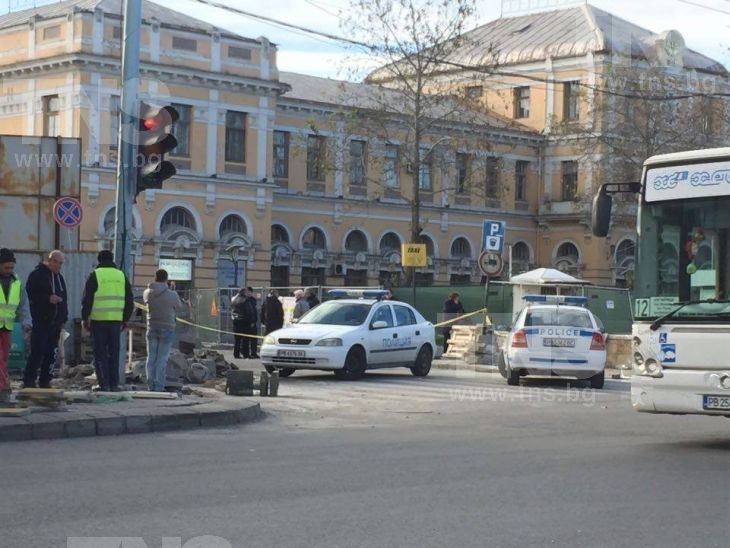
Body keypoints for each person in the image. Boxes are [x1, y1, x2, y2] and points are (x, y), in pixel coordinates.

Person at [81, 250, 134, 392]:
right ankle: (114, 384)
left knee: (100, 354)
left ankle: (103, 384)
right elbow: (130, 300)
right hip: (116, 322)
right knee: (114, 353)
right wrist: (125, 319)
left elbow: (87, 300)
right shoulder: (121, 276)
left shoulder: (95, 275)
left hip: (98, 321)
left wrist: (85, 319)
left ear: (99, 260)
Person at [23, 250, 68, 389]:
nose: (59, 266)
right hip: (41, 320)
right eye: (57, 262)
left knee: (51, 353)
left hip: (55, 323)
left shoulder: (59, 278)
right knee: (38, 351)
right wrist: (47, 298)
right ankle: (29, 380)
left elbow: (64, 298)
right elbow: (30, 294)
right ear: (50, 260)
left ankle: (45, 380)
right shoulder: (37, 275)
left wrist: (63, 317)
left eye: (61, 263)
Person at [143, 269, 182, 392]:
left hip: (152, 327)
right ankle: (159, 386)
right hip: (167, 328)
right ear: (166, 279)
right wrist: (171, 289)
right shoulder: (172, 294)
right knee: (162, 359)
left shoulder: (147, 293)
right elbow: (178, 306)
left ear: (154, 277)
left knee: (151, 358)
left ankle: (150, 385)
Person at [0, 249, 31, 402]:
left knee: (4, 358)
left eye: (12, 267)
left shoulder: (16, 282)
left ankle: (3, 388)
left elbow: (23, 305)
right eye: (6, 267)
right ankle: (3, 388)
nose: (10, 270)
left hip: (7, 327)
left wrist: (26, 323)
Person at [231, 286, 259, 359]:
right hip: (245, 322)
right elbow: (249, 311)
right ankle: (246, 354)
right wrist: (252, 321)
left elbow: (233, 311)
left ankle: (236, 354)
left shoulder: (233, 299)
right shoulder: (245, 300)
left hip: (236, 322)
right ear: (244, 292)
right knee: (245, 339)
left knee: (237, 340)